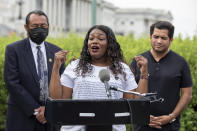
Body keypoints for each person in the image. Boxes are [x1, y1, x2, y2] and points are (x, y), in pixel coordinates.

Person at [49, 25, 149, 131]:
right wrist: (56, 68)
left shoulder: (122, 69)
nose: (94, 41)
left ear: (109, 44)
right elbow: (58, 99)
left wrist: (144, 74)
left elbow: (135, 104)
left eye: (100, 39)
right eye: (91, 38)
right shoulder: (75, 66)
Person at [4, 10, 65, 131]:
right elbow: (12, 82)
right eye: (35, 26)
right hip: (21, 116)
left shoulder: (56, 51)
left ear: (48, 27)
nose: (40, 29)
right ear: (26, 27)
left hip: (49, 119)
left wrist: (48, 109)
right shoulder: (13, 50)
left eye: (43, 26)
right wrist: (36, 110)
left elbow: (61, 83)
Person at [130, 21, 193, 131]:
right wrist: (142, 116)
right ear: (150, 37)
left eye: (163, 38)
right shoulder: (138, 61)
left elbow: (187, 94)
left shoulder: (181, 63)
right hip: (141, 126)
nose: (159, 41)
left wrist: (171, 117)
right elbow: (130, 94)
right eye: (156, 37)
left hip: (169, 126)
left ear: (171, 40)